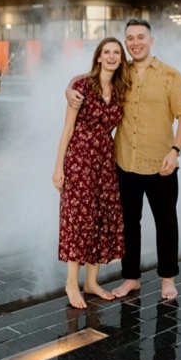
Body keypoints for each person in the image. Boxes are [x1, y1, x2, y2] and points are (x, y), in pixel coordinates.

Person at [67, 19, 181, 300]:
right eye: (130, 38)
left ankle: (167, 280)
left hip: (161, 164)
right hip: (124, 163)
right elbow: (88, 77)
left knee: (166, 223)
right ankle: (131, 278)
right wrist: (68, 88)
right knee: (129, 224)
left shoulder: (170, 75)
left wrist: (175, 151)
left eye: (140, 37)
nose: (135, 42)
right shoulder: (120, 72)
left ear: (151, 40)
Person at [52, 38, 129, 309]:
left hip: (105, 160)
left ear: (121, 59)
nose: (110, 56)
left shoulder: (121, 89)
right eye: (106, 52)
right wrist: (58, 166)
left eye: (116, 53)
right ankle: (72, 282)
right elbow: (68, 129)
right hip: (80, 158)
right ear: (98, 57)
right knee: (79, 218)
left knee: (100, 217)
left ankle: (92, 282)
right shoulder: (82, 86)